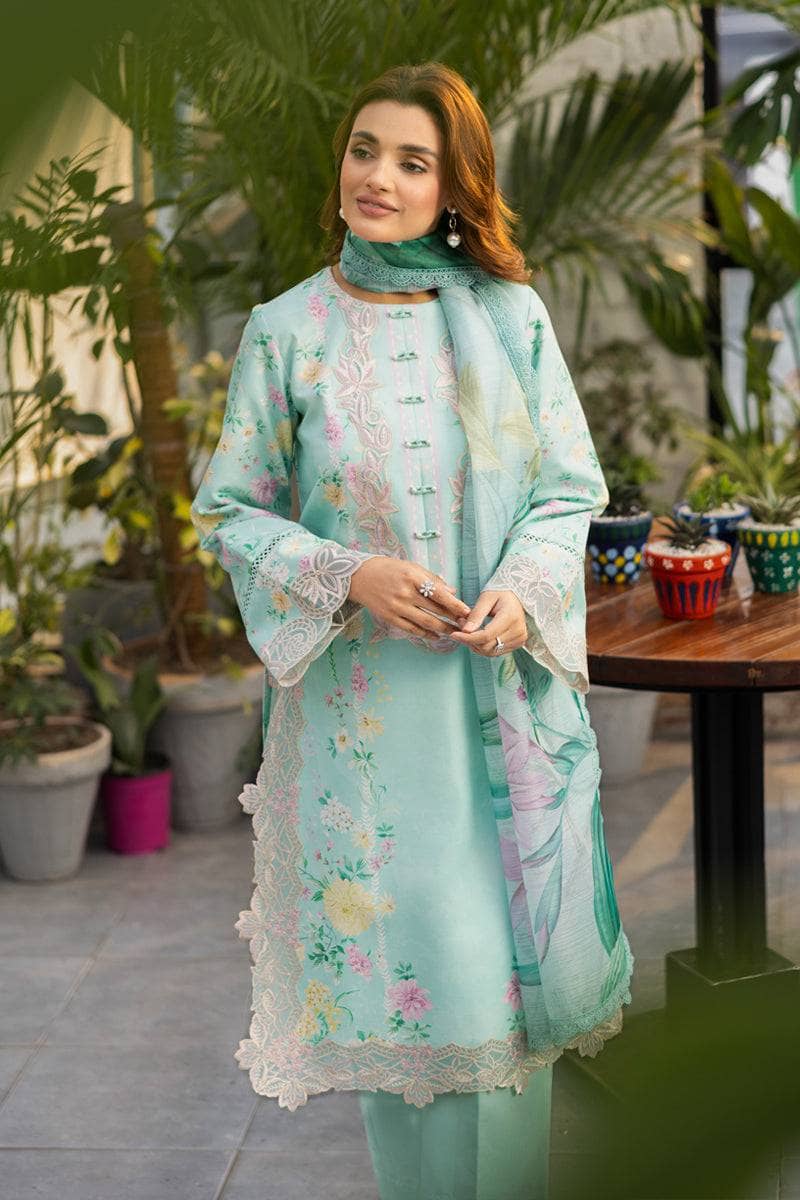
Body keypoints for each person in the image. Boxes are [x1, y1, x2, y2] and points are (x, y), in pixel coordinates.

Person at [191, 60, 634, 1200]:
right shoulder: (287, 332)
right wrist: (350, 574)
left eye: (411, 160)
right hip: (363, 732)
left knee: (500, 999)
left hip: (496, 717)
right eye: (363, 149)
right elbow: (230, 509)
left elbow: (566, 487)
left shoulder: (509, 320)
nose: (377, 176)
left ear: (453, 190)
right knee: (398, 997)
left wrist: (522, 592)